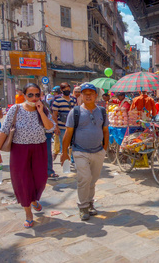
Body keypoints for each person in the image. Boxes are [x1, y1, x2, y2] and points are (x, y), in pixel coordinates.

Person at [0, 83, 54, 228]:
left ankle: (33, 199)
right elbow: (4, 130)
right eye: (30, 95)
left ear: (41, 95)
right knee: (22, 180)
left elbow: (50, 127)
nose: (34, 98)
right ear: (24, 95)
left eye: (37, 95)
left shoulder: (44, 110)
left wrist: (40, 112)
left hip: (39, 148)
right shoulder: (16, 109)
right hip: (19, 150)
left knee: (40, 178)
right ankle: (28, 213)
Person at [61, 83, 109, 221]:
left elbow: (105, 131)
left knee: (92, 180)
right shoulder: (75, 112)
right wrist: (64, 152)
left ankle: (90, 203)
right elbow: (68, 133)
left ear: (95, 96)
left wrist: (104, 149)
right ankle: (83, 207)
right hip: (80, 151)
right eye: (85, 93)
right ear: (81, 95)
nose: (88, 96)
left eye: (91, 93)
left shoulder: (102, 111)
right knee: (85, 179)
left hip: (98, 151)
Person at [52, 82, 77, 158]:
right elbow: (54, 115)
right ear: (61, 90)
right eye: (65, 89)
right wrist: (56, 127)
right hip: (62, 126)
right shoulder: (57, 101)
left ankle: (73, 160)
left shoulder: (73, 100)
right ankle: (65, 159)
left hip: (72, 126)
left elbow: (76, 112)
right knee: (64, 145)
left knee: (73, 144)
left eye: (68, 89)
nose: (67, 91)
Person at [40, 91, 57, 179]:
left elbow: (51, 116)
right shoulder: (23, 107)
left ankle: (49, 170)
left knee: (47, 153)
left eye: (38, 94)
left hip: (46, 133)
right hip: (31, 137)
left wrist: (55, 127)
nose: (35, 97)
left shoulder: (45, 105)